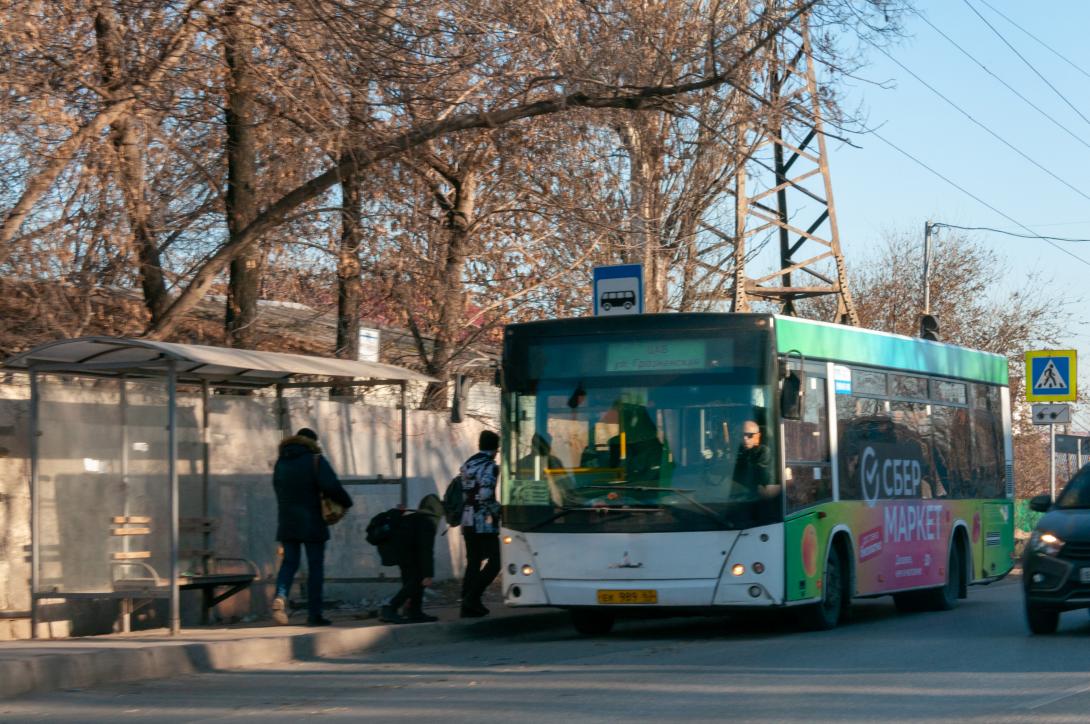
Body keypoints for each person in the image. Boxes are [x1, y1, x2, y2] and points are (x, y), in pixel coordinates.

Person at [271, 427, 353, 626]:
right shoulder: (315, 460)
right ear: (312, 442)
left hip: (287, 522)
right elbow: (331, 485)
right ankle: (314, 614)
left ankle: (280, 596)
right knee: (315, 567)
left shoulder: (281, 462)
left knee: (289, 563)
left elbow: (277, 488)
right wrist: (346, 502)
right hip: (312, 522)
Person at [380, 494, 445, 624]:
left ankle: (414, 612)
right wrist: (428, 574)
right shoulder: (428, 522)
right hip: (408, 555)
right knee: (417, 581)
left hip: (402, 554)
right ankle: (390, 608)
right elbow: (426, 550)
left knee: (413, 582)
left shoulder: (415, 517)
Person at [460, 429, 501, 618]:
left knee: (473, 562)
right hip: (483, 521)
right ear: (495, 449)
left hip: (466, 518)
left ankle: (467, 606)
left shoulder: (468, 464)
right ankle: (473, 597)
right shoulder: (490, 466)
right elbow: (485, 494)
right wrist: (498, 511)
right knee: (495, 561)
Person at [732, 420, 772, 495]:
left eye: (750, 435)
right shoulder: (738, 450)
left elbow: (757, 474)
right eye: (742, 435)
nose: (745, 438)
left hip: (754, 496)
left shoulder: (764, 451)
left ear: (758, 436)